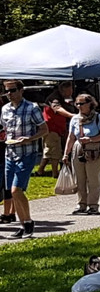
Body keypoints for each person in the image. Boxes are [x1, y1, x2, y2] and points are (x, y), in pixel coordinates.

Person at [2, 79, 48, 239]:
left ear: (21, 90)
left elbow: (44, 129)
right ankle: (23, 226)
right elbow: (5, 130)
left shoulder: (32, 108)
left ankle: (28, 222)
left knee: (16, 190)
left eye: (12, 90)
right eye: (6, 91)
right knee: (12, 192)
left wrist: (28, 139)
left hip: (27, 154)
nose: (9, 94)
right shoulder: (5, 109)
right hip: (10, 153)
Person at [63, 93, 100, 216]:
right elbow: (71, 137)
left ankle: (93, 205)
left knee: (93, 178)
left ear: (90, 104)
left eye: (82, 103)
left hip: (94, 149)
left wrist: (90, 139)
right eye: (77, 103)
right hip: (78, 148)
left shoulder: (99, 118)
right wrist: (66, 154)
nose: (79, 106)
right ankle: (81, 204)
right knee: (79, 179)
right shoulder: (74, 119)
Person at [38, 81, 75, 178]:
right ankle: (55, 173)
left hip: (55, 128)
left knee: (49, 150)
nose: (71, 91)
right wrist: (72, 116)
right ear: (64, 89)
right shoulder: (54, 98)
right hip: (52, 128)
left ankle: (40, 170)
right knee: (55, 152)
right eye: (70, 89)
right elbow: (58, 109)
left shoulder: (60, 97)